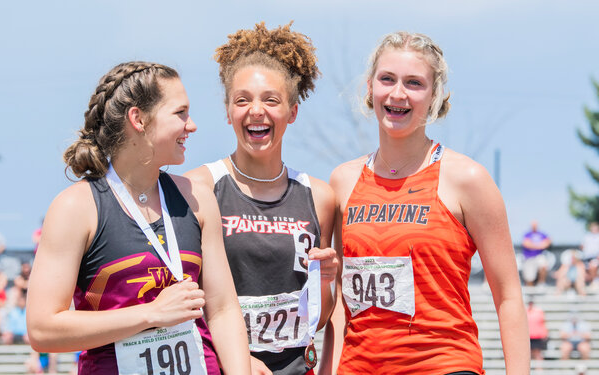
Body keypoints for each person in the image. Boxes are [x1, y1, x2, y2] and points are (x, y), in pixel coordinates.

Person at [323, 32, 529, 374]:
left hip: (443, 363)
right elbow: (343, 298)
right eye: (387, 79)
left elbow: (507, 297)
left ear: (434, 97)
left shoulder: (467, 179)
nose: (397, 94)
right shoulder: (342, 181)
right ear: (370, 87)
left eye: (414, 83)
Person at [26, 61, 250, 374]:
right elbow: (42, 329)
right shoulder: (75, 208)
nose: (192, 125)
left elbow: (223, 310)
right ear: (138, 119)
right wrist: (151, 314)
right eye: (180, 113)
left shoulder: (196, 197)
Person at [185, 22, 337, 375]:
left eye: (271, 100)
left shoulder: (320, 196)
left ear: (292, 112)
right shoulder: (197, 187)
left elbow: (320, 316)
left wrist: (326, 280)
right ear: (227, 112)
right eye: (243, 100)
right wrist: (239, 360)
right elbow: (188, 301)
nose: (256, 111)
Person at [521, 220, 551, 287]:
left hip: (539, 256)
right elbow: (526, 244)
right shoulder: (527, 234)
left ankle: (541, 283)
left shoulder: (542, 234)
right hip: (529, 257)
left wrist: (533, 245)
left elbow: (548, 242)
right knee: (529, 277)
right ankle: (530, 291)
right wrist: (539, 245)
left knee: (544, 265)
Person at [579, 222, 599, 291]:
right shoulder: (587, 236)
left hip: (596, 257)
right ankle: (591, 283)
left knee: (593, 267)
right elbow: (582, 246)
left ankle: (595, 282)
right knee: (584, 271)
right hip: (586, 257)